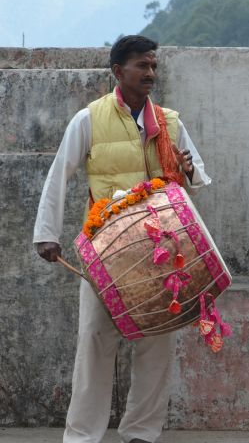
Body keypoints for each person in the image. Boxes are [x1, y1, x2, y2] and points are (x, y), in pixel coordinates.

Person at [32, 35, 210, 443]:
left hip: (162, 251)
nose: (150, 73)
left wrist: (188, 170)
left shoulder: (170, 121)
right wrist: (47, 233)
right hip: (105, 249)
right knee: (95, 339)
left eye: (153, 66)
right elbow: (60, 174)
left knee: (157, 344)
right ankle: (81, 437)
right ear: (118, 71)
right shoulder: (89, 119)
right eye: (141, 66)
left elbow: (198, 180)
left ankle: (142, 435)